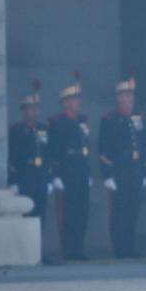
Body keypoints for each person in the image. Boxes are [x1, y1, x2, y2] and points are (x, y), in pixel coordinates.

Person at [98, 77, 146, 258]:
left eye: (131, 95)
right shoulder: (110, 120)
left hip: (134, 172)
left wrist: (144, 171)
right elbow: (104, 149)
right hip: (119, 173)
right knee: (119, 213)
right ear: (118, 98)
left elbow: (143, 146)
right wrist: (108, 174)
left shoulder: (137, 119)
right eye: (125, 95)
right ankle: (119, 248)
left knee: (133, 212)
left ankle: (130, 247)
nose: (129, 99)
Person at [47, 77, 92, 261]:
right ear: (65, 103)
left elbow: (86, 149)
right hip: (67, 173)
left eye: (78, 99)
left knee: (82, 212)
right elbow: (54, 151)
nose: (77, 103)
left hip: (81, 172)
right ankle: (68, 249)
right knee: (68, 213)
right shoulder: (57, 123)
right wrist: (55, 175)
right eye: (73, 99)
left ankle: (78, 247)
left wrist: (88, 172)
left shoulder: (82, 121)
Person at [9, 86, 53, 232]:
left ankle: (38, 252)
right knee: (26, 215)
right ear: (24, 111)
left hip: (40, 176)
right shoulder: (16, 131)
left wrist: (49, 177)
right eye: (31, 108)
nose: (35, 111)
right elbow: (12, 157)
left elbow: (48, 154)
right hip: (24, 176)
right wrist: (13, 180)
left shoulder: (44, 129)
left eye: (36, 108)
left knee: (41, 216)